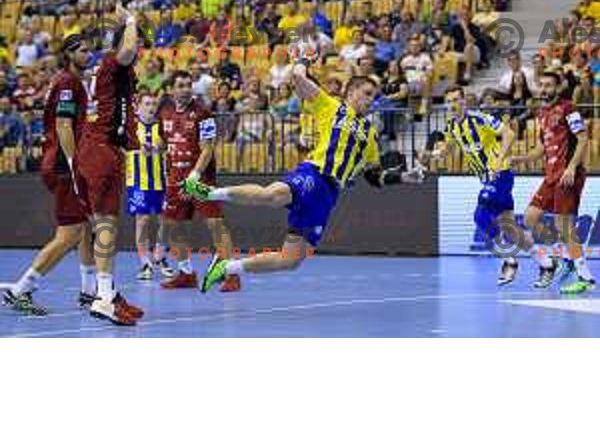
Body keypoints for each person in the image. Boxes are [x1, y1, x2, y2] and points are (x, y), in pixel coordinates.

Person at [183, 65, 424, 293]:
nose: (371, 99)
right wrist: (302, 61)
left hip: (328, 195)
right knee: (272, 196)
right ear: (351, 92)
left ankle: (226, 267)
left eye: (374, 95)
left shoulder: (370, 134)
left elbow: (374, 176)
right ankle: (209, 192)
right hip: (314, 173)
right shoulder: (332, 107)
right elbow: (298, 78)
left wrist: (404, 176)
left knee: (290, 260)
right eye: (367, 93)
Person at [420, 85, 559, 286]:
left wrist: (499, 159)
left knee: (480, 215)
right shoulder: (452, 126)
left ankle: (509, 261)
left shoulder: (478, 118)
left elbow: (509, 134)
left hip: (500, 174)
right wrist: (431, 155)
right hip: (487, 179)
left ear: (464, 101)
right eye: (449, 101)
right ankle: (547, 263)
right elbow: (447, 151)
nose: (453, 105)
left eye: (456, 100)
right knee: (511, 231)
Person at [3, 34, 96, 315]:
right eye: (82, 51)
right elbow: (64, 126)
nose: (88, 55)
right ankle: (21, 289)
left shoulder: (67, 81)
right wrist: (73, 162)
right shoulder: (68, 83)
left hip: (61, 163)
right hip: (63, 165)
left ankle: (89, 291)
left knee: (82, 229)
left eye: (89, 50)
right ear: (68, 55)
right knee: (70, 234)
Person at [75, 5, 144, 325]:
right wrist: (130, 20)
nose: (140, 49)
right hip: (101, 151)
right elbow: (128, 48)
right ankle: (102, 297)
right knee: (106, 227)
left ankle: (108, 292)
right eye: (138, 42)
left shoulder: (114, 72)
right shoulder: (113, 64)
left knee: (103, 226)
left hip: (97, 150)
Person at [512, 72, 595, 294]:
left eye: (549, 85)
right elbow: (541, 149)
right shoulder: (543, 113)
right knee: (530, 217)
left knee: (565, 228)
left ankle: (585, 277)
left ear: (558, 88)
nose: (544, 89)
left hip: (568, 174)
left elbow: (583, 139)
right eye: (542, 85)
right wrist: (521, 159)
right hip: (550, 175)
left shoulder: (569, 108)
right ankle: (561, 257)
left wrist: (571, 167)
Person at [158, 70, 241, 292]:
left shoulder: (203, 114)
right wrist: (153, 149)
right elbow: (164, 143)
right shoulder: (164, 112)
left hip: (200, 178)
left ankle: (231, 274)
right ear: (171, 89)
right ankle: (186, 273)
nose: (186, 89)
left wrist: (194, 176)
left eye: (188, 85)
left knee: (216, 224)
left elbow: (208, 148)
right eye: (181, 85)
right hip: (176, 178)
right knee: (174, 226)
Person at [126, 91, 175, 281]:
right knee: (143, 220)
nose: (151, 107)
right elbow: (122, 149)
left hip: (161, 180)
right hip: (138, 181)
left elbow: (168, 147)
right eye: (146, 103)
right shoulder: (131, 127)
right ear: (138, 106)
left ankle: (160, 257)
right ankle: (144, 263)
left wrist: (156, 149)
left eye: (153, 103)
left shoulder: (161, 126)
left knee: (165, 220)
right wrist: (139, 150)